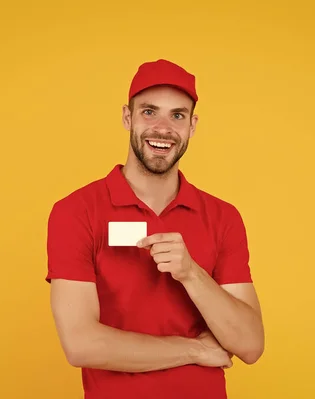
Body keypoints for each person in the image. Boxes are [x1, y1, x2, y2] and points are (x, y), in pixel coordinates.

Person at [46, 59, 265, 399]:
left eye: (177, 115)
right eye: (149, 112)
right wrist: (194, 350)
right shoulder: (76, 211)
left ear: (192, 126)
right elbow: (81, 344)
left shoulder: (223, 217)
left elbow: (250, 345)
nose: (163, 128)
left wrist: (192, 273)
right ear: (127, 117)